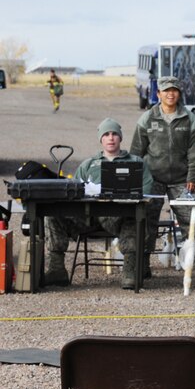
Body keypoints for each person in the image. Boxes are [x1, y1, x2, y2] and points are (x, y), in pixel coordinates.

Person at [44, 118, 154, 288]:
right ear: (101, 139)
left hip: (119, 218)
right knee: (52, 214)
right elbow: (76, 191)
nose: (111, 138)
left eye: (114, 134)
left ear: (120, 138)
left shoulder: (136, 163)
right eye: (106, 134)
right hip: (89, 218)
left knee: (134, 218)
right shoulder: (88, 165)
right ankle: (57, 269)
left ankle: (130, 271)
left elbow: (147, 189)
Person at [130, 75, 195, 279]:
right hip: (152, 179)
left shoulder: (188, 117)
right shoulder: (147, 118)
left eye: (174, 90)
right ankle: (142, 263)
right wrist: (135, 179)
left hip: (182, 179)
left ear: (179, 93)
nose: (170, 94)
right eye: (166, 91)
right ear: (158, 94)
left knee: (191, 221)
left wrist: (194, 175)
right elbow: (136, 150)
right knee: (146, 220)